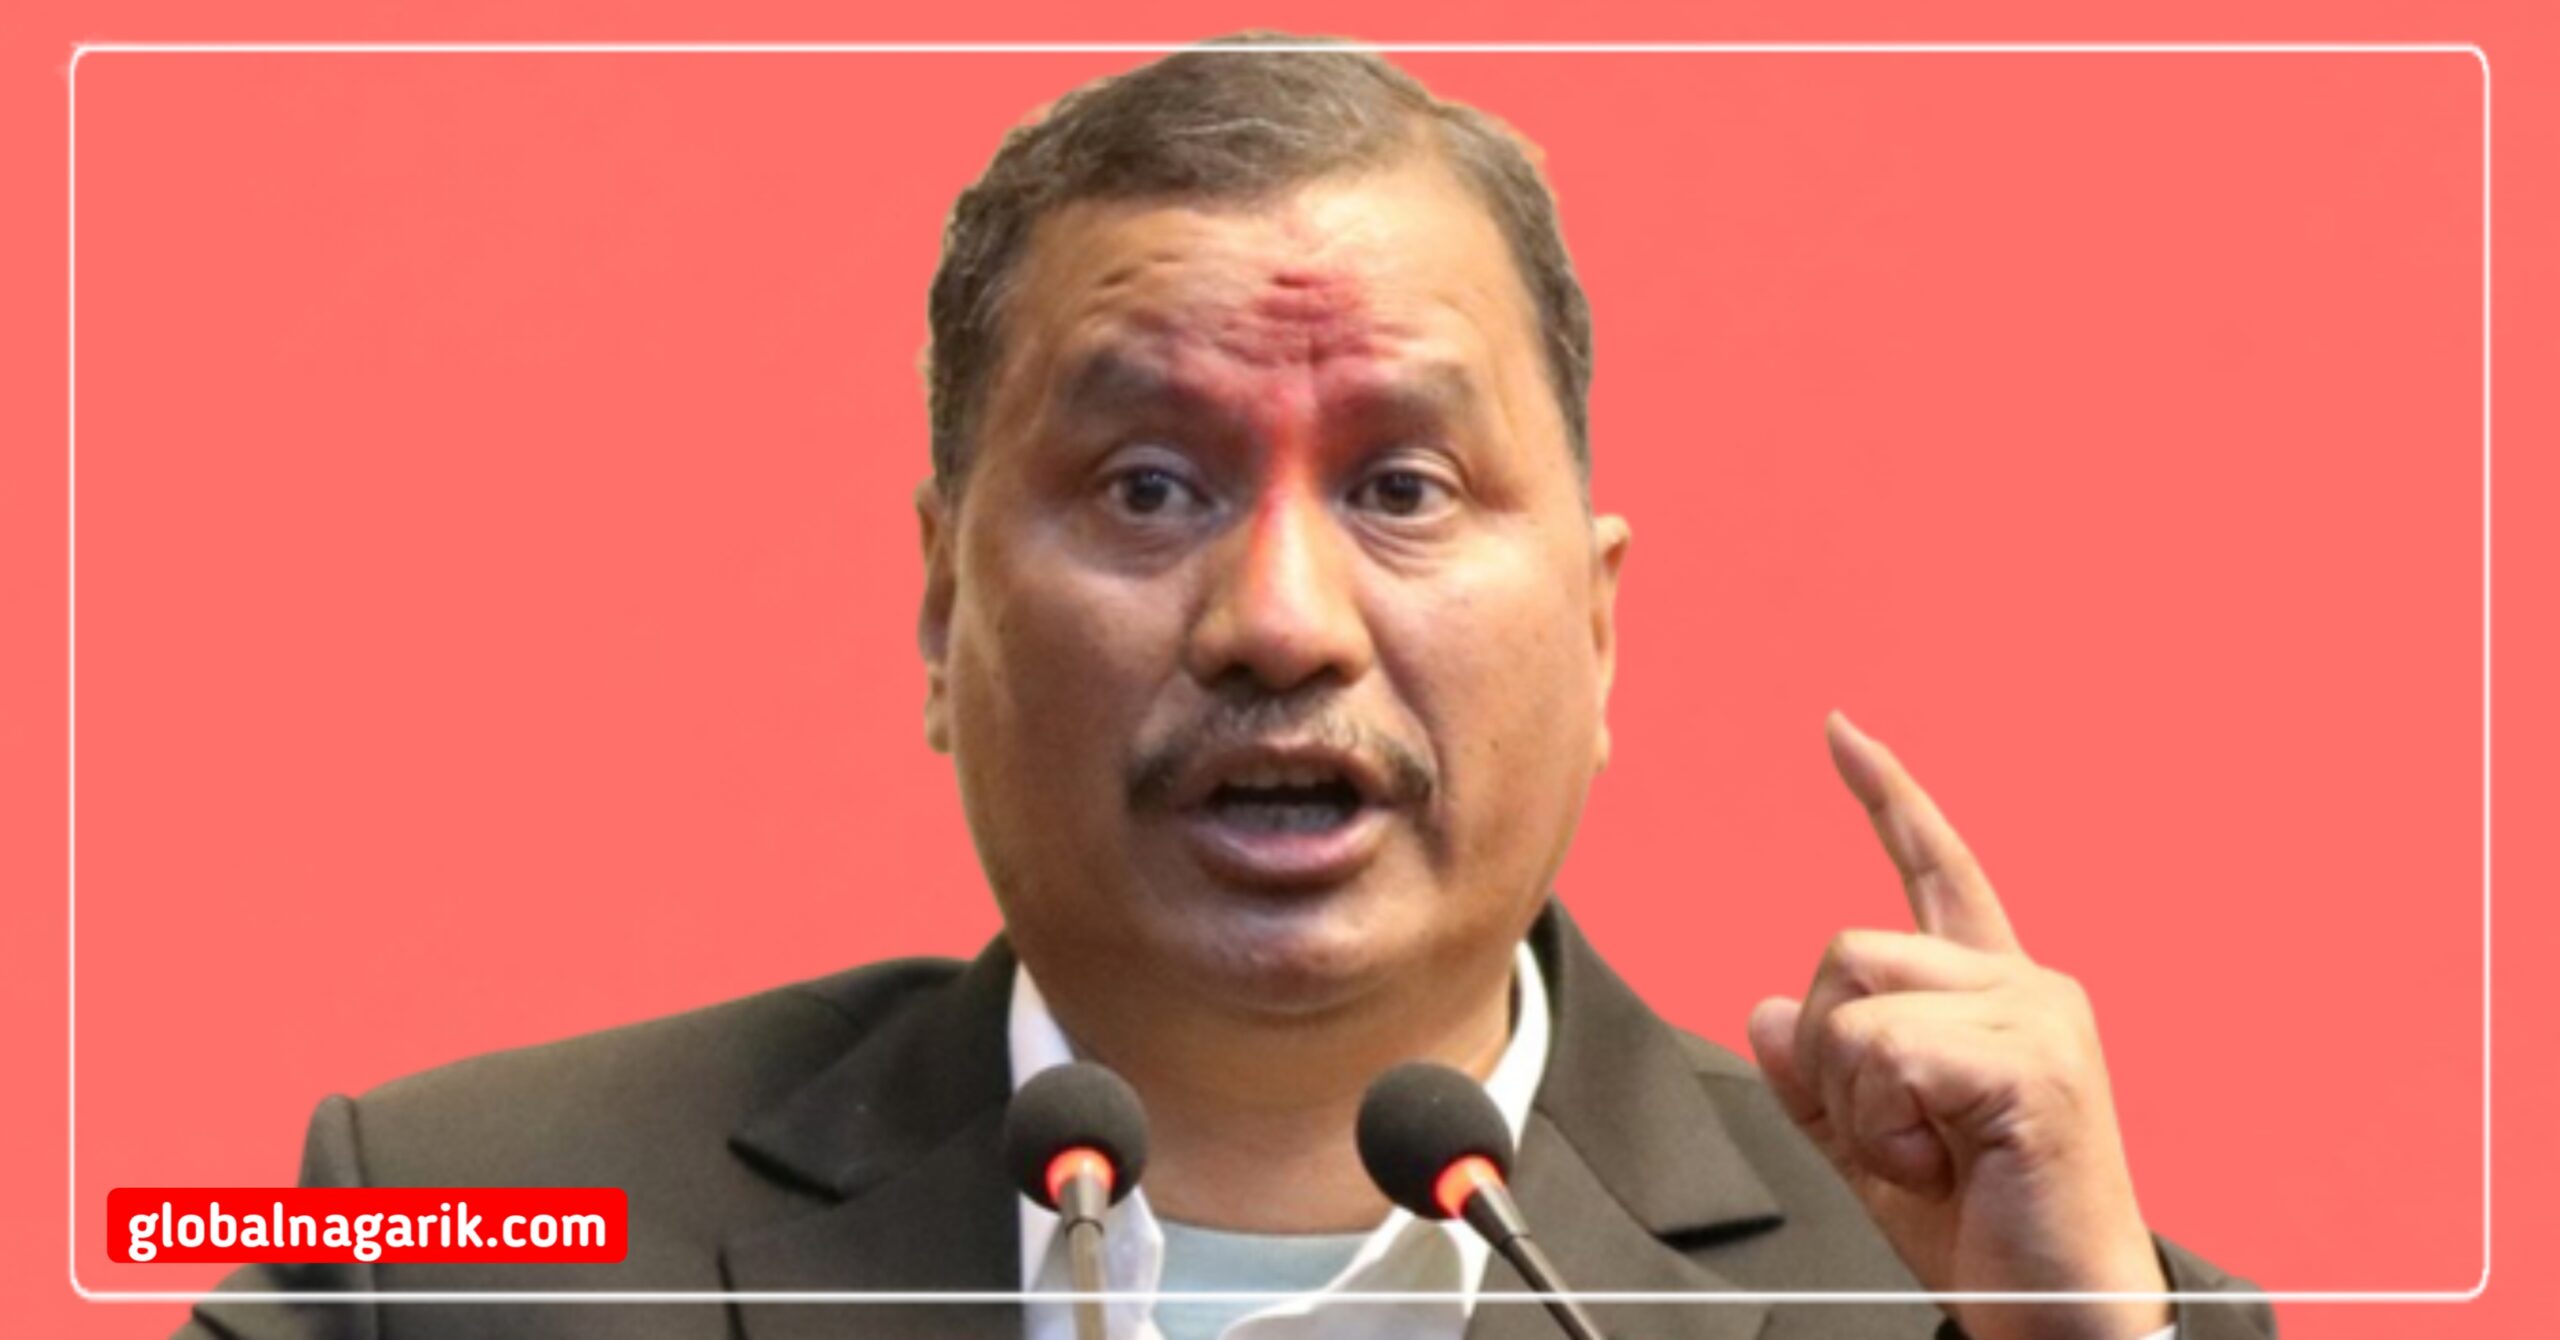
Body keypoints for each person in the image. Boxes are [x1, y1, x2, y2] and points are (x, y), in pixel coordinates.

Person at [181, 34, 2276, 1340]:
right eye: (1149, 486)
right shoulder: (456, 1233)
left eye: (1400, 486)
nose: (1280, 620)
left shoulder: (1985, 1300)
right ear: (942, 605)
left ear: (1596, 626)